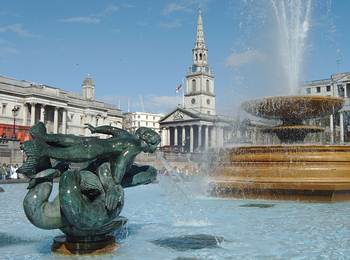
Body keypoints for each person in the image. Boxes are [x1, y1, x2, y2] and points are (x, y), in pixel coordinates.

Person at [18, 122, 161, 184]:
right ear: (148, 142)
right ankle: (37, 151)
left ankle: (42, 137)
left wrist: (95, 129)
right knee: (57, 153)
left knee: (68, 140)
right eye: (153, 146)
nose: (151, 151)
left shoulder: (127, 136)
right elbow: (122, 162)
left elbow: (112, 130)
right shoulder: (135, 146)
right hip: (92, 151)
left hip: (92, 141)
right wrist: (116, 181)